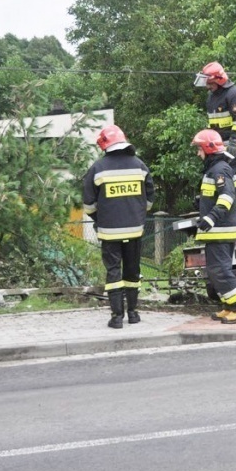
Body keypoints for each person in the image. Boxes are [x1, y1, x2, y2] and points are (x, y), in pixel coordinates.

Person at [83, 124, 155, 329]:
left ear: (104, 145)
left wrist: (100, 219)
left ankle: (116, 318)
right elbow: (149, 199)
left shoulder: (97, 168)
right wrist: (137, 215)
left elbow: (88, 205)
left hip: (109, 232)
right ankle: (133, 314)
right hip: (135, 230)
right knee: (133, 270)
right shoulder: (139, 166)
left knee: (113, 271)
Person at [191, 128, 236, 323]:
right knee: (216, 271)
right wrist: (201, 202)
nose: (198, 153)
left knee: (221, 271)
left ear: (208, 149)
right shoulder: (215, 169)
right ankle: (229, 305)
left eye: (199, 149)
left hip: (220, 230)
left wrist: (210, 218)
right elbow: (215, 195)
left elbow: (227, 197)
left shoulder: (220, 170)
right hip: (217, 231)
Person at [194, 61, 236, 207]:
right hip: (221, 144)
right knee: (220, 173)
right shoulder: (212, 97)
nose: (207, 86)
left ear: (219, 80)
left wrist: (234, 142)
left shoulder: (234, 94)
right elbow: (214, 123)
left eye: (209, 83)